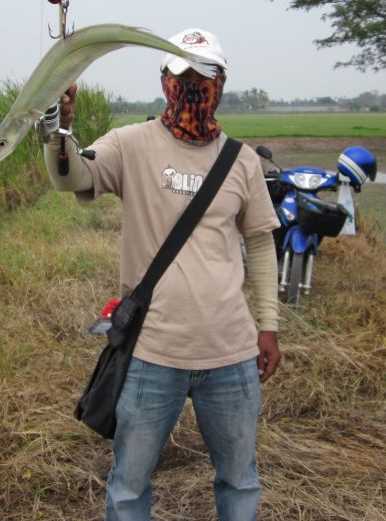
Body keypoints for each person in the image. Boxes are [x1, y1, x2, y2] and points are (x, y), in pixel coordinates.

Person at [44, 28, 281, 521]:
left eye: (204, 75)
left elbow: (259, 243)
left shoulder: (242, 161)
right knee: (129, 487)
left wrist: (269, 325)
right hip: (152, 353)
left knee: (240, 482)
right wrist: (56, 132)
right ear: (164, 81)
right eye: (181, 74)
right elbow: (72, 175)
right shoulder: (130, 144)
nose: (192, 85)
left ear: (222, 82)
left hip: (231, 354)